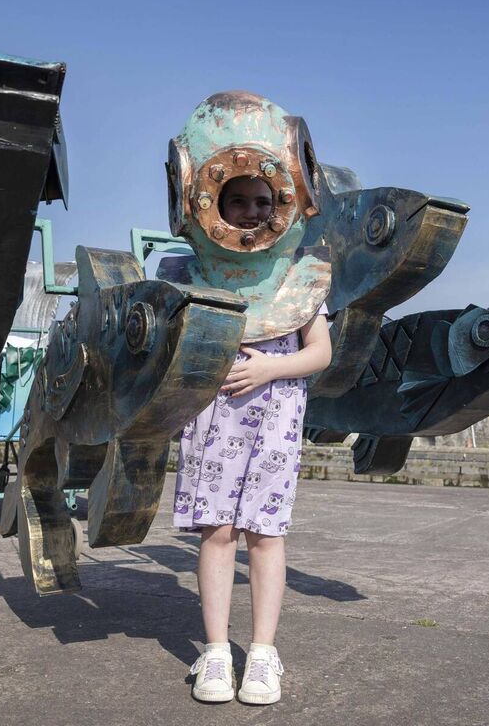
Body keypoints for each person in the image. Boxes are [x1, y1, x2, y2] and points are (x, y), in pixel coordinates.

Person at [173, 175, 333, 705]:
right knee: (217, 533)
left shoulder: (298, 277)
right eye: (235, 200)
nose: (248, 212)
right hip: (212, 415)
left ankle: (263, 653)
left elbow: (320, 353)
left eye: (261, 202)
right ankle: (216, 651)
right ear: (214, 206)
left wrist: (270, 368)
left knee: (265, 535)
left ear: (278, 210)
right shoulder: (185, 270)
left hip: (275, 419)